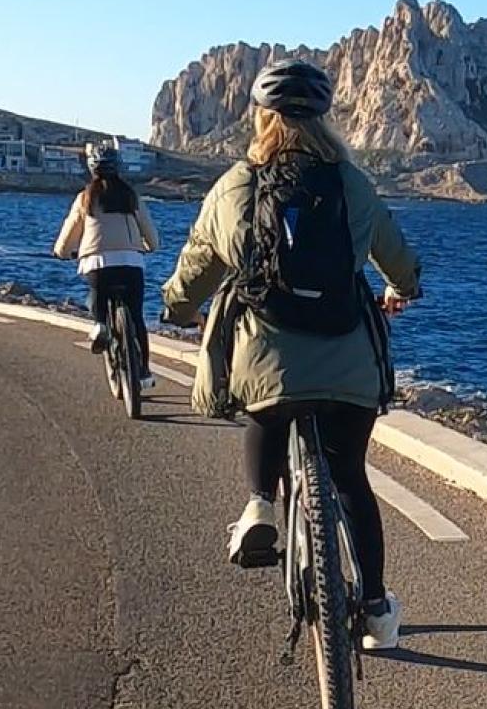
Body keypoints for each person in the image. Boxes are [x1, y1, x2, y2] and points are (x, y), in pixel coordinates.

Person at [162, 59, 421, 651]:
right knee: (351, 475)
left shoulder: (235, 186)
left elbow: (198, 264)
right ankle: (377, 611)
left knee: (266, 406)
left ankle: (259, 506)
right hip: (347, 360)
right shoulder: (353, 185)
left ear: (262, 117)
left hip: (264, 356)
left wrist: (178, 311)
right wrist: (401, 292)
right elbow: (398, 257)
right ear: (325, 120)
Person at [53, 140, 160, 389]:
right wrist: (150, 248)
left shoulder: (85, 199)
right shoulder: (131, 196)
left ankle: (101, 324)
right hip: (132, 263)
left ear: (92, 169)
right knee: (136, 317)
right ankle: (143, 371)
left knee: (96, 298)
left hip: (97, 264)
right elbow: (151, 235)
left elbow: (67, 237)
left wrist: (61, 253)